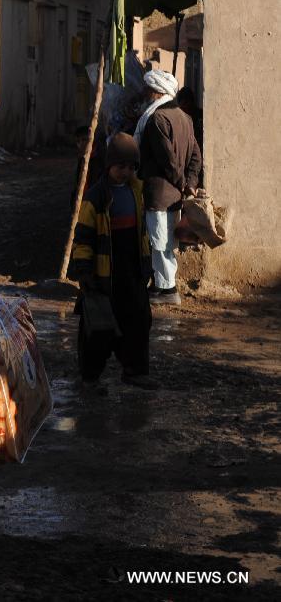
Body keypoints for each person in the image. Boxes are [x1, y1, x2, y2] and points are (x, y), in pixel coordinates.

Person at [71, 133, 154, 391]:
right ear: (109, 166)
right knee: (98, 329)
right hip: (104, 275)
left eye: (131, 167)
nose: (126, 172)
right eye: (121, 167)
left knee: (139, 321)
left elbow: (142, 234)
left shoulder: (136, 191)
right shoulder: (96, 197)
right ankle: (90, 378)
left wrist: (146, 265)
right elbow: (83, 236)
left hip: (131, 272)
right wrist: (84, 271)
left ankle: (134, 370)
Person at [133, 70, 202, 305]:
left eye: (147, 89)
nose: (144, 94)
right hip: (175, 194)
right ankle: (161, 286)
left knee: (159, 242)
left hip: (159, 192)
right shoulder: (185, 118)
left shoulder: (156, 119)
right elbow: (195, 157)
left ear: (155, 91)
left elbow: (167, 160)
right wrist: (190, 184)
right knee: (166, 242)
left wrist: (184, 184)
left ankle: (167, 290)